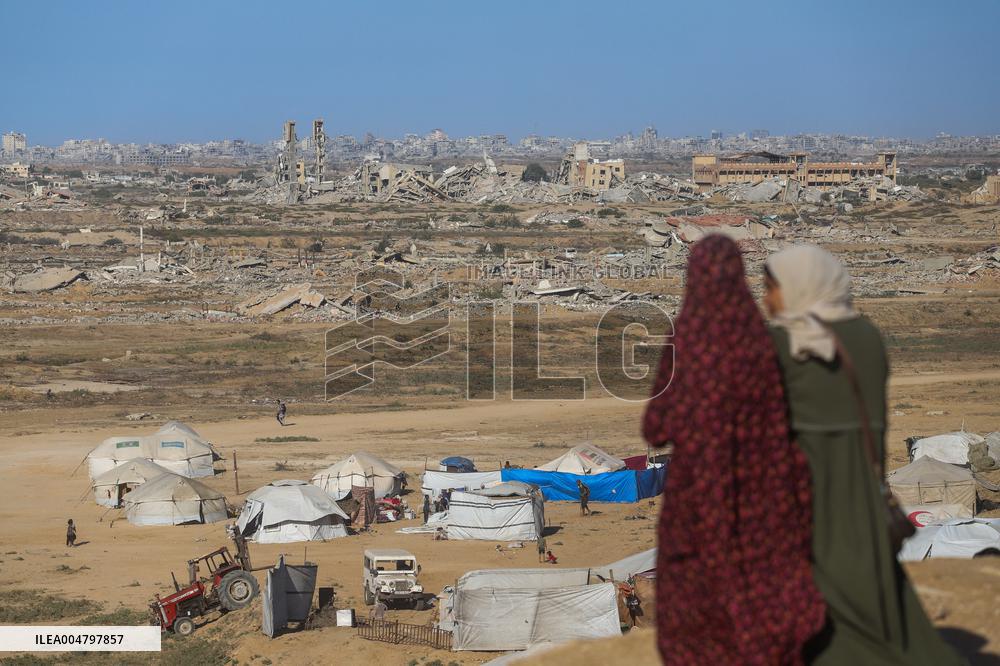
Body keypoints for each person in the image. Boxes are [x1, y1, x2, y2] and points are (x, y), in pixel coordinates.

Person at [764, 244, 962, 665]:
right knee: (877, 595)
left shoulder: (779, 342)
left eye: (771, 288)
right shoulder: (866, 336)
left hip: (800, 495)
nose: (766, 299)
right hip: (865, 494)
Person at [643, 236, 825, 665]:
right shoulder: (760, 339)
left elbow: (655, 427)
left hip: (700, 494)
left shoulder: (684, 338)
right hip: (760, 492)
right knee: (760, 579)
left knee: (695, 586)